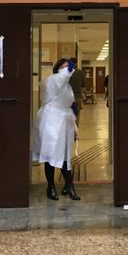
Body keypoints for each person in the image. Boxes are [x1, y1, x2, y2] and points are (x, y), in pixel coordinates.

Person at [33, 58, 80, 201]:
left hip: (64, 121)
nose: (67, 70)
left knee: (65, 154)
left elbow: (65, 95)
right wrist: (69, 69)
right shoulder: (53, 80)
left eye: (68, 67)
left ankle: (69, 185)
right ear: (58, 69)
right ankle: (51, 187)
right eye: (64, 67)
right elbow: (61, 78)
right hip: (51, 122)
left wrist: (71, 106)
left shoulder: (66, 84)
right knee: (50, 154)